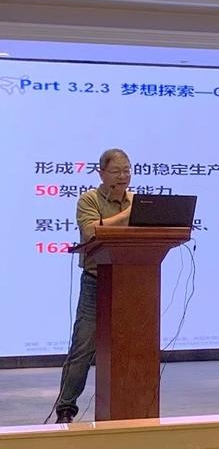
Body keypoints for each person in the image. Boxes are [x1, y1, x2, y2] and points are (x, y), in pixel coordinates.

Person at [53, 148, 133, 424]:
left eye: (127, 170)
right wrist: (128, 215)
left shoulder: (137, 202)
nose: (123, 176)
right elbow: (90, 231)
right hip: (95, 281)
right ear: (101, 173)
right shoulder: (89, 199)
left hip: (131, 284)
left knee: (129, 346)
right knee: (83, 346)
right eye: (116, 171)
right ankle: (66, 408)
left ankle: (127, 406)